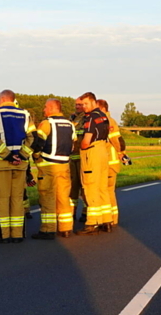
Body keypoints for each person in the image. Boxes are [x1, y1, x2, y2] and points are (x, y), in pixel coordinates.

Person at [0, 89, 36, 243]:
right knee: (17, 199)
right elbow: (33, 138)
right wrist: (22, 155)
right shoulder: (26, 115)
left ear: (2, 99)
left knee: (1, 199)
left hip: (1, 164)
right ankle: (17, 234)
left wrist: (7, 155)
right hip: (20, 165)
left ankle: (3, 235)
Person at [31, 98, 75, 240]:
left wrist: (36, 156)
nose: (44, 110)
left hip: (49, 166)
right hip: (65, 165)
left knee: (47, 197)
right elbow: (73, 145)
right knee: (63, 197)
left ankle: (48, 230)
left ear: (51, 108)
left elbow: (38, 143)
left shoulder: (46, 123)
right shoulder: (70, 124)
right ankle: (66, 228)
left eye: (45, 107)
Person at [76, 92, 111, 234]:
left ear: (93, 102)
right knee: (102, 188)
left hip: (92, 152)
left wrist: (78, 146)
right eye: (82, 104)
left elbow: (85, 142)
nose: (83, 107)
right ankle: (106, 220)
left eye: (85, 104)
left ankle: (93, 223)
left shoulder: (90, 118)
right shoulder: (103, 116)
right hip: (103, 151)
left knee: (90, 187)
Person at [98, 99, 125, 227]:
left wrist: (121, 152)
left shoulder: (107, 121)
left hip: (108, 163)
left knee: (105, 191)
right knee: (108, 191)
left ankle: (109, 218)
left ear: (102, 108)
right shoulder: (107, 120)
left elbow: (116, 140)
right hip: (109, 162)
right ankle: (111, 218)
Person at [69, 96, 85, 227]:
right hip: (72, 158)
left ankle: (86, 213)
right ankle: (71, 212)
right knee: (72, 187)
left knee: (85, 187)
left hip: (83, 157)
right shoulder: (72, 118)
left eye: (80, 105)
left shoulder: (87, 118)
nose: (77, 107)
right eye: (76, 105)